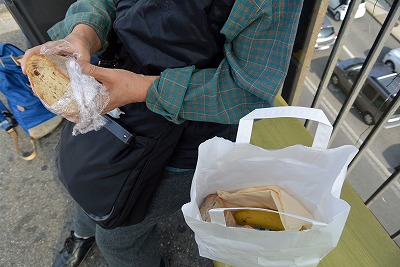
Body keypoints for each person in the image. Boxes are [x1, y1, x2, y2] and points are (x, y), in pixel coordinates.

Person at [21, 0, 304, 266]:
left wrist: (141, 89)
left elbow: (247, 91)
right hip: (109, 82)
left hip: (188, 131)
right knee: (84, 182)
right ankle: (84, 233)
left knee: (118, 238)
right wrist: (83, 33)